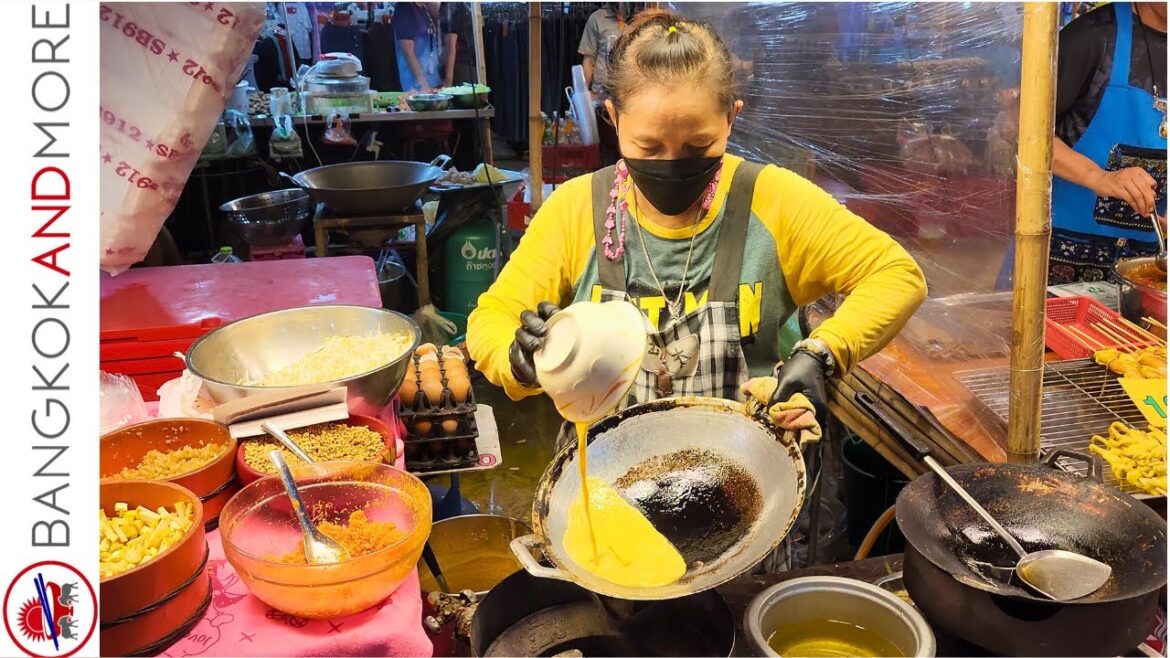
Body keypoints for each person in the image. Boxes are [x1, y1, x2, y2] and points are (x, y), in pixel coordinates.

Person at [467, 11, 926, 448]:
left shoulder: (773, 201)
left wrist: (823, 354)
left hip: (743, 487)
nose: (671, 164)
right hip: (604, 488)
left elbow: (896, 275)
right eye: (647, 145)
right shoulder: (575, 210)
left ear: (732, 117)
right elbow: (491, 319)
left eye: (698, 144)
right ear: (613, 117)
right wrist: (519, 359)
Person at [1049, 1, 1166, 284]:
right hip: (1063, 260)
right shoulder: (1093, 36)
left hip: (1149, 264)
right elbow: (1022, 132)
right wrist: (1098, 177)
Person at [579, 2, 629, 165]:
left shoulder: (636, 19)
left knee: (624, 149)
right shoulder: (597, 19)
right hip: (601, 99)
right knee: (604, 153)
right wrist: (583, 95)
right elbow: (589, 58)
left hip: (626, 98)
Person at [393, 2, 442, 92]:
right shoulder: (405, 9)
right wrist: (423, 84)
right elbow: (408, 52)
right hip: (415, 86)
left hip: (432, 79)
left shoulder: (424, 9)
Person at [441, 2, 477, 87]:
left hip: (459, 67)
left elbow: (450, 46)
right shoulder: (468, 5)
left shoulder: (451, 5)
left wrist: (448, 82)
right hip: (470, 66)